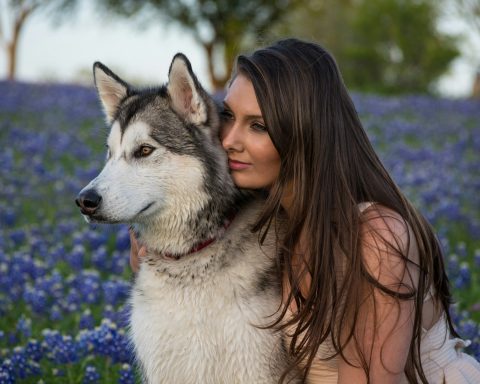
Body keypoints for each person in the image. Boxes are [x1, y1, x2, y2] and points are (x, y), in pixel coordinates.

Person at [130, 38, 480, 383]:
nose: (227, 140)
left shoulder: (378, 237)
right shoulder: (265, 222)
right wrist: (165, 257)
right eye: (228, 116)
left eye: (258, 126)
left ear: (303, 133)